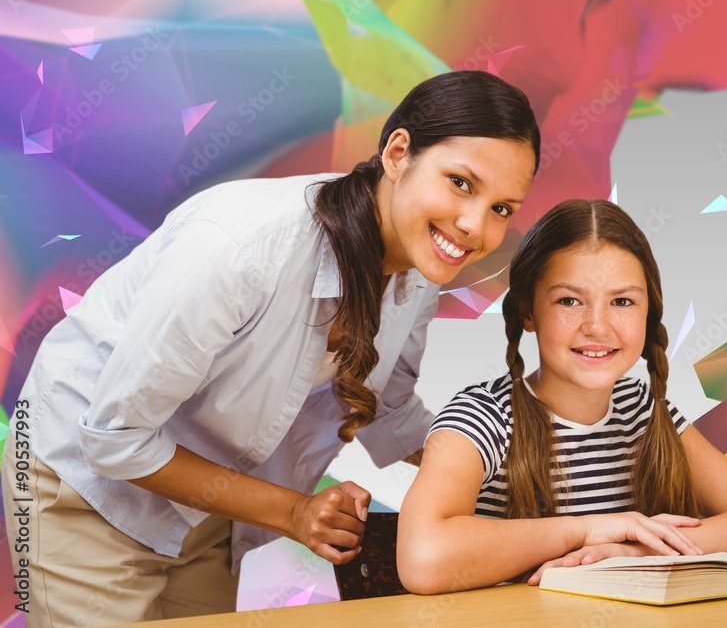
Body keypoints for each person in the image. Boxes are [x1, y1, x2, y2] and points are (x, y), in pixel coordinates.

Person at [1, 70, 539, 626]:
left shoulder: (422, 266)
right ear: (398, 152)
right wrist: (295, 511)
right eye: (460, 183)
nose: (474, 226)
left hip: (205, 495)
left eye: (502, 208)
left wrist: (527, 479)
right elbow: (115, 440)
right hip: (86, 478)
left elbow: (389, 411)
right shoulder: (242, 251)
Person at [397, 199, 727, 594]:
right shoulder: (482, 417)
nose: (597, 326)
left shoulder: (643, 412)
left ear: (648, 314)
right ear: (528, 312)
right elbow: (423, 559)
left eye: (622, 301)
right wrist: (588, 529)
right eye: (569, 301)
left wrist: (638, 550)